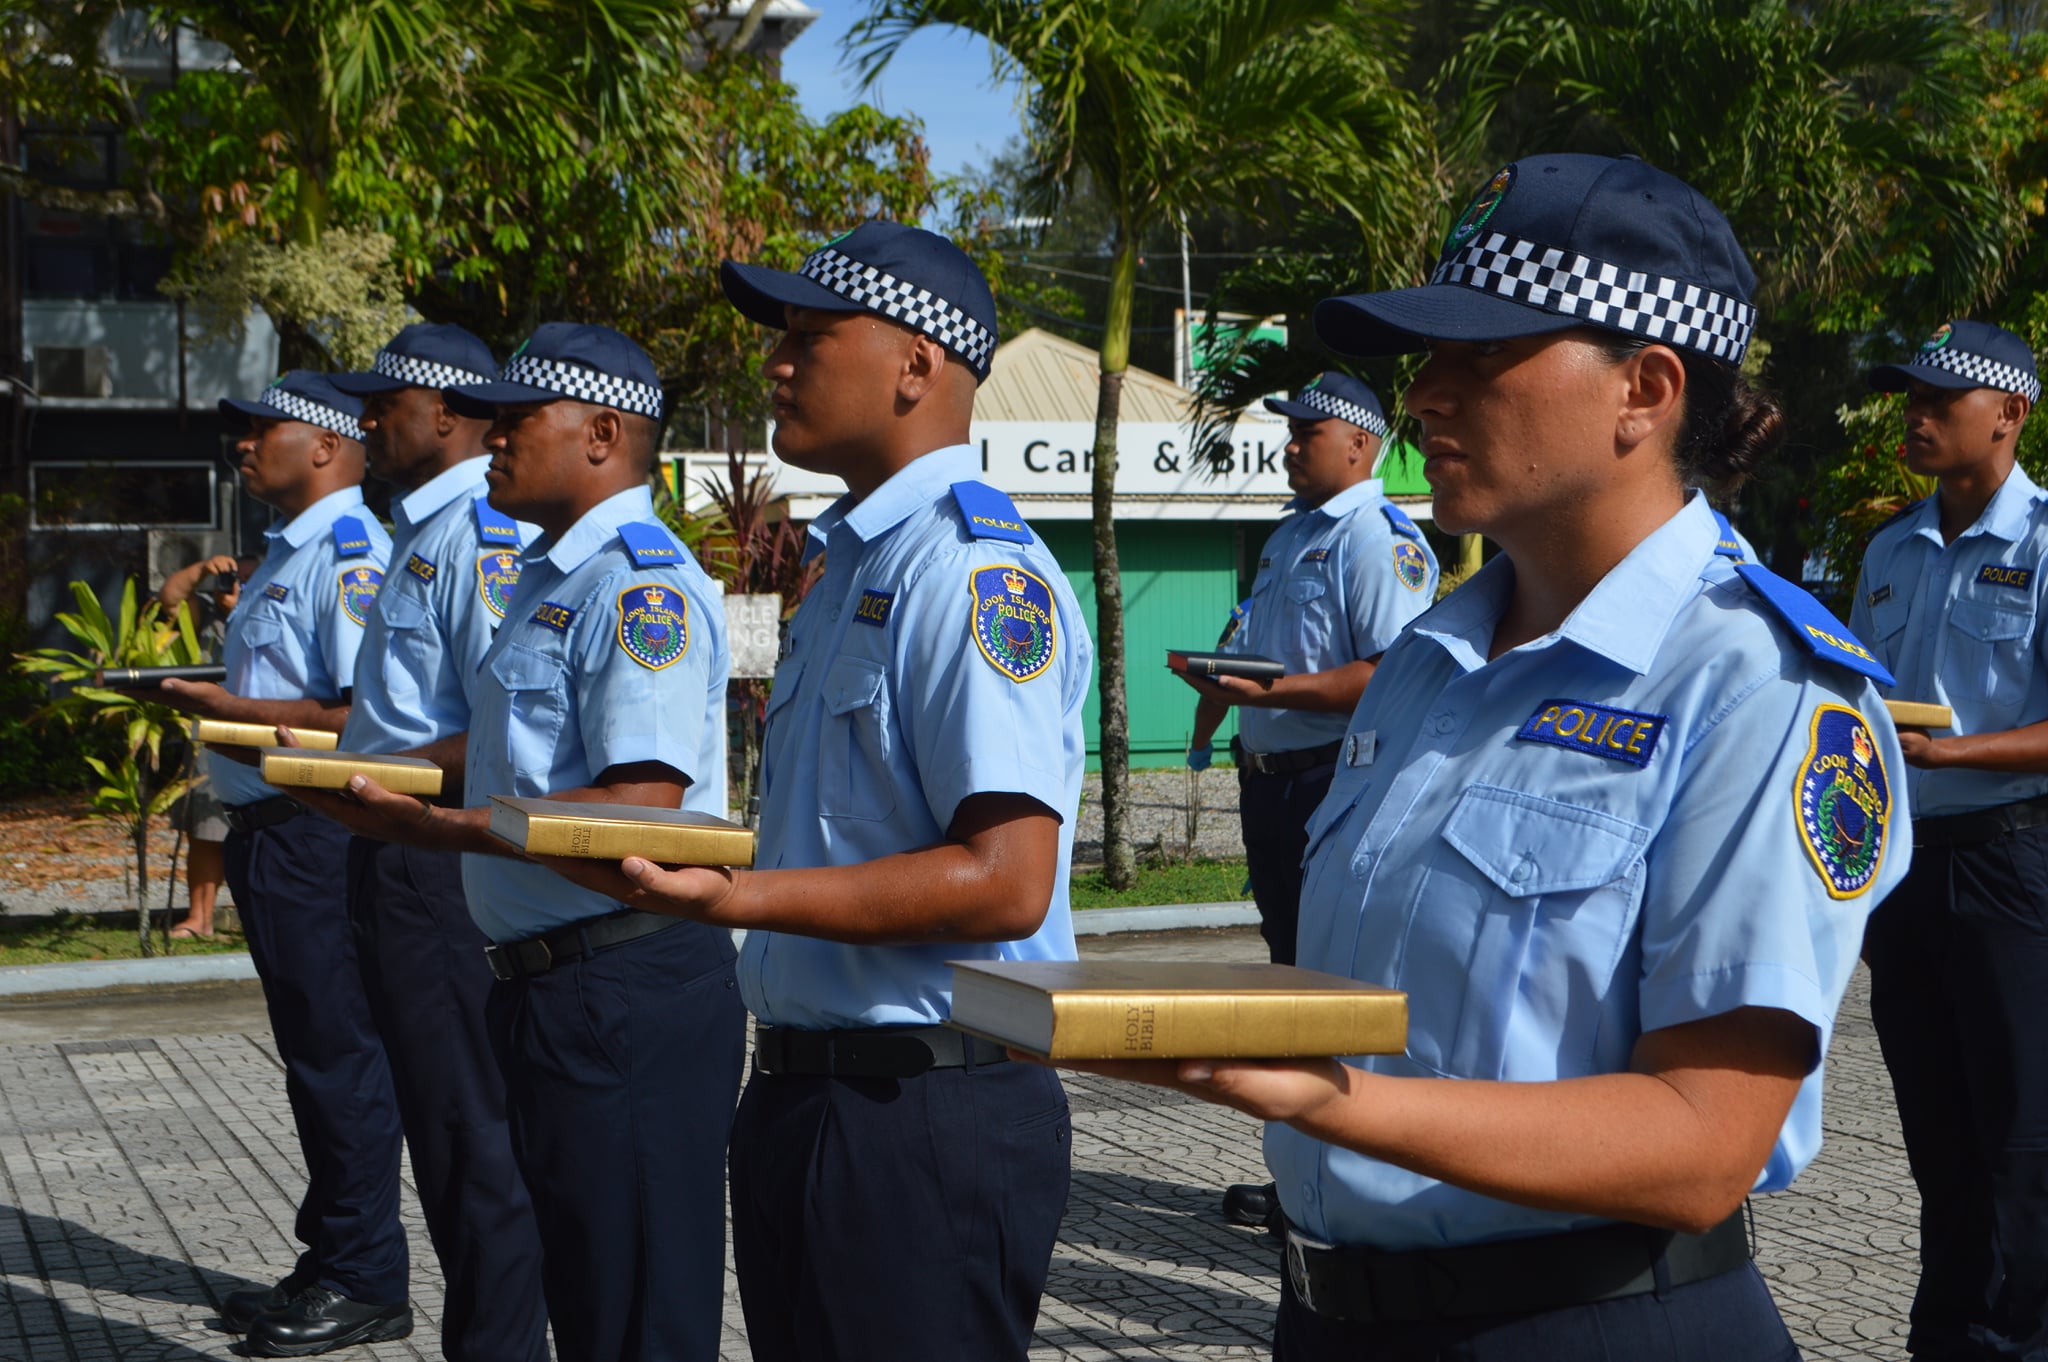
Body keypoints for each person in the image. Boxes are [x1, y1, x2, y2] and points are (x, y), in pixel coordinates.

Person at [1044, 153, 1912, 1360]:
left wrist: (1314, 1094)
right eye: (1426, 360)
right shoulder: (1426, 659)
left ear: (1644, 391)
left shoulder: (1754, 683)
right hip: (1336, 1317)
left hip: (1588, 1324)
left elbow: (1705, 1142)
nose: (1426, 397)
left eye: (1481, 357)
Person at [576, 220, 1093, 1362]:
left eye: (810, 336)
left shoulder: (970, 570)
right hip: (810, 1098)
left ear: (916, 365)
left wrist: (735, 902)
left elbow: (1007, 883)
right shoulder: (853, 564)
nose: (776, 361)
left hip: (923, 1115)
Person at [292, 322, 744, 1362]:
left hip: (622, 984)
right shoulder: (552, 578)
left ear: (601, 433)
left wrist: (442, 827)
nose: (491, 441)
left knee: (638, 1318)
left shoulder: (641, 587)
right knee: (586, 1296)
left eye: (514, 420)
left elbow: (642, 802)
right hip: (554, 982)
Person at [154, 372, 411, 1355]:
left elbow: (362, 720)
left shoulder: (348, 556)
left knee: (338, 1055)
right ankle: (334, 1254)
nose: (245, 444)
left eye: (266, 427)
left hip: (319, 832)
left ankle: (365, 1276)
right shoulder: (287, 555)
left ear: (332, 444)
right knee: (313, 1059)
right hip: (275, 831)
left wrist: (224, 712)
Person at [317, 322, 550, 1362]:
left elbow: (503, 733)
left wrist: (392, 784)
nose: (366, 420)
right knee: (437, 1135)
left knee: (472, 1146)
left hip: (436, 858)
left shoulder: (482, 537)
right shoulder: (418, 531)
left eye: (387, 403)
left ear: (449, 415)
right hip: (391, 846)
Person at [1179, 371, 1438, 1230]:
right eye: (1289, 432)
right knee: (1293, 976)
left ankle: (1346, 1175)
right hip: (1273, 787)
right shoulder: (1294, 536)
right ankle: (1302, 1174)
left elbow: (1392, 675)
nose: (1289, 445)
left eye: (1307, 432)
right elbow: (1257, 647)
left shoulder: (1376, 539)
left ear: (1360, 443)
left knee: (1333, 984)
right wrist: (1220, 696)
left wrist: (1277, 692)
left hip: (1334, 778)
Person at [1849, 319, 2048, 1361]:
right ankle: (1947, 1336)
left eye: (1938, 400)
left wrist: (1954, 759)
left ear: (2006, 415)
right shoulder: (1888, 548)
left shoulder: (2043, 543)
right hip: (1906, 871)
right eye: (1906, 398)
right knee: (1935, 1130)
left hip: (2013, 861)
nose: (1913, 416)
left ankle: (2018, 1338)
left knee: (2020, 1135)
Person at [158, 552, 254, 939]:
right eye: (230, 580)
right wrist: (200, 571)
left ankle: (257, 914)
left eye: (243, 580)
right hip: (212, 731)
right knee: (205, 825)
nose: (233, 588)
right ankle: (200, 919)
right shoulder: (203, 616)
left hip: (266, 727)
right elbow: (169, 600)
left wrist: (242, 610)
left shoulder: (268, 608)